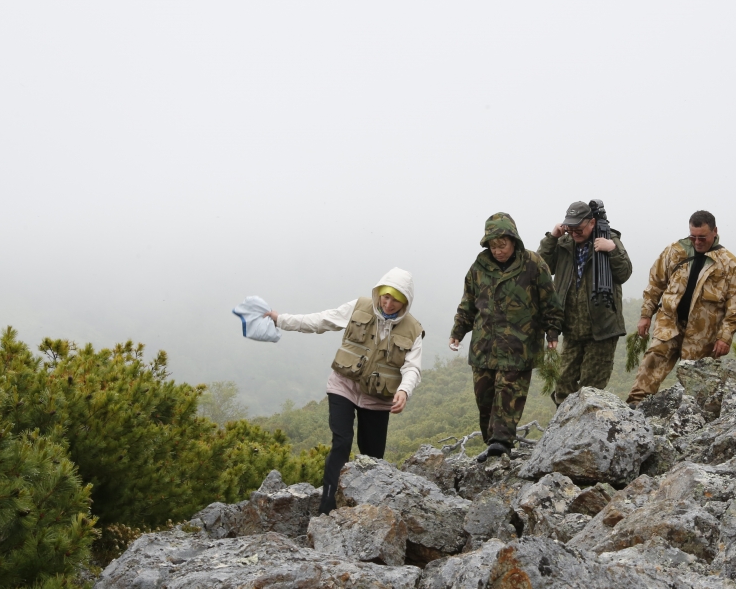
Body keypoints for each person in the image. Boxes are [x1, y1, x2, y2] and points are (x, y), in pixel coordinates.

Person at [265, 268, 422, 514]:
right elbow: (321, 320)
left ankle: (366, 512)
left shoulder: (413, 329)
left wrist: (404, 391)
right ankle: (327, 507)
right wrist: (280, 319)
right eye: (385, 297)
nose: (388, 303)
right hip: (343, 386)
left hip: (378, 399)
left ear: (406, 301)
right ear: (379, 293)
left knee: (372, 458)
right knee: (342, 442)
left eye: (396, 299)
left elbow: (413, 368)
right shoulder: (359, 307)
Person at [450, 212, 563, 462]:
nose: (498, 250)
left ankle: (502, 443)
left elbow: (550, 301)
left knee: (508, 395)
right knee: (485, 398)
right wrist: (458, 331)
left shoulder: (533, 264)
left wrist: (552, 330)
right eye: (493, 245)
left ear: (514, 240)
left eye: (503, 244)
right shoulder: (478, 268)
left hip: (519, 346)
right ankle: (491, 443)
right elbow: (468, 303)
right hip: (484, 347)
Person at [627, 210, 736, 405]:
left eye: (702, 237)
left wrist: (725, 336)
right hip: (669, 324)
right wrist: (646, 315)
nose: (697, 241)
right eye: (693, 236)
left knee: (698, 388)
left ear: (715, 232)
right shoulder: (674, 252)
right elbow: (655, 285)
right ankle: (633, 409)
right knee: (650, 366)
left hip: (703, 336)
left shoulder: (729, 263)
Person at [537, 200, 633, 404]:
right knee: (563, 385)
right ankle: (565, 431)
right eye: (570, 229)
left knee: (591, 389)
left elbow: (624, 273)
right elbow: (541, 268)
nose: (574, 234)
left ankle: (589, 431)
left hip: (602, 328)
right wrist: (552, 238)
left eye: (578, 229)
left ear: (591, 222)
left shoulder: (609, 239)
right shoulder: (563, 244)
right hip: (572, 328)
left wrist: (612, 250)